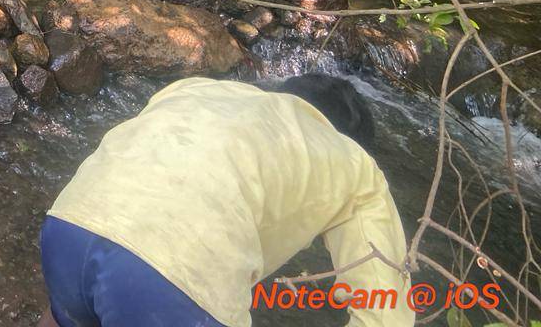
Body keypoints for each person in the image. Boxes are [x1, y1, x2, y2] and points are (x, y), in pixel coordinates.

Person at [39, 75, 412, 327]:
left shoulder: (198, 88)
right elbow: (384, 309)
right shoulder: (355, 164)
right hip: (173, 276)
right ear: (350, 138)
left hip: (69, 227)